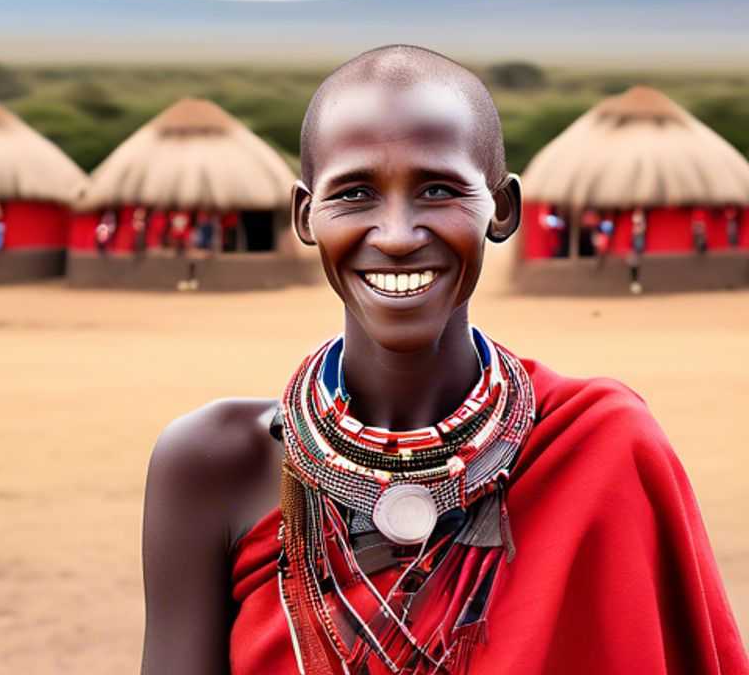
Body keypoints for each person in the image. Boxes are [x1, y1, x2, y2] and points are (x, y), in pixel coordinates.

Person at [141, 46, 747, 675]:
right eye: (354, 194)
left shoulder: (602, 446)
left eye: (437, 190)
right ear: (305, 216)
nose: (398, 235)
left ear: (502, 209)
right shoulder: (212, 465)